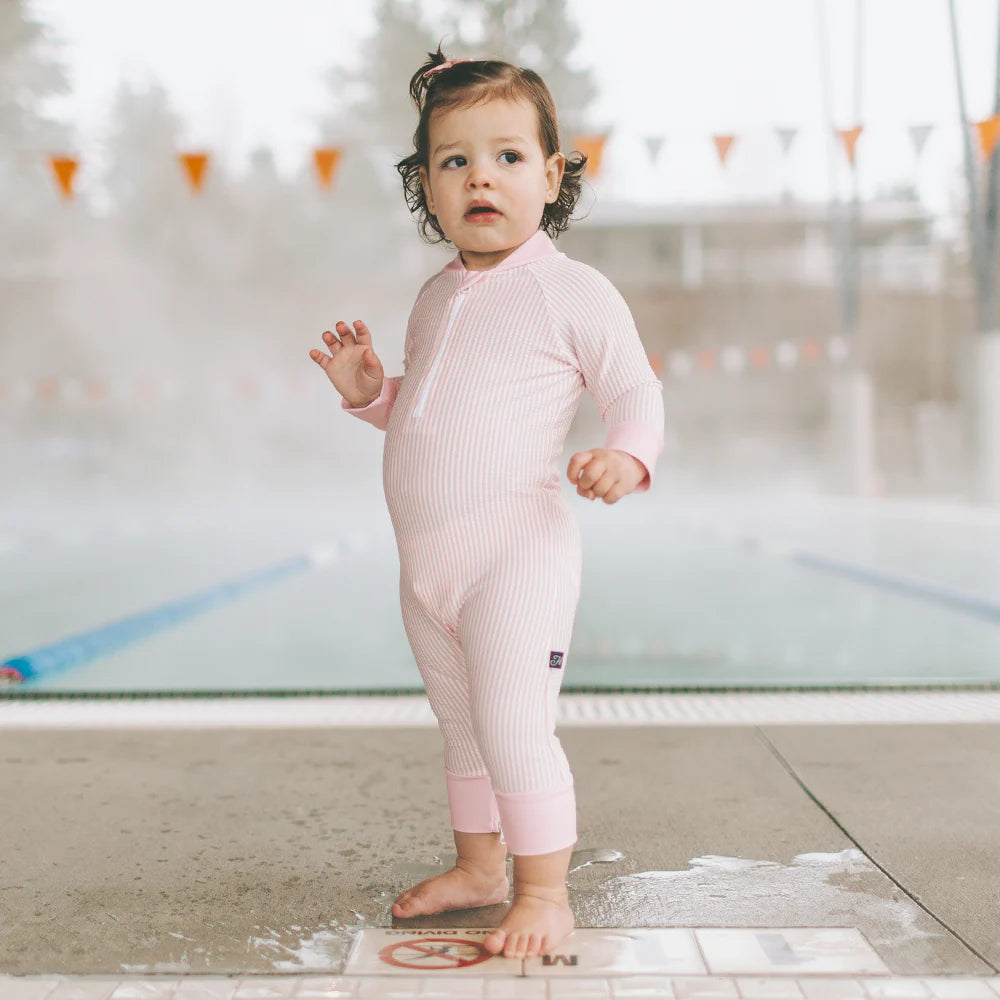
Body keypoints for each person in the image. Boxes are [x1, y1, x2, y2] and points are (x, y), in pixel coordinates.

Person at [308, 47, 664, 960]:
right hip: (427, 566)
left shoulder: (570, 289)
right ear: (425, 183)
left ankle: (544, 890)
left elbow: (635, 391)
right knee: (463, 727)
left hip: (516, 551)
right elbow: (429, 417)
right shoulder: (436, 298)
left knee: (513, 722)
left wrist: (627, 456)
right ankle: (479, 869)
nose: (480, 177)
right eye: (454, 159)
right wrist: (367, 392)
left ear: (552, 174)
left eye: (507, 157)